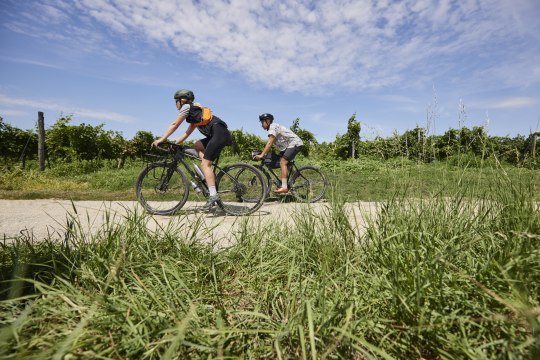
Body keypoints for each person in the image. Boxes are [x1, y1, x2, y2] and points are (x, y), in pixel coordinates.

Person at [152, 89, 233, 210]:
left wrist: (161, 139)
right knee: (197, 145)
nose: (175, 104)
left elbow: (175, 124)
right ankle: (208, 173)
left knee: (206, 164)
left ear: (181, 100)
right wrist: (175, 143)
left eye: (176, 101)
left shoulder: (186, 107)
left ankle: (213, 195)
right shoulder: (195, 114)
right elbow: (186, 133)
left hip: (219, 134)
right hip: (220, 133)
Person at [254, 113, 304, 194]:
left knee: (283, 162)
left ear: (268, 121)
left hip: (295, 143)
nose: (261, 125)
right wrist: (264, 153)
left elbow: (269, 143)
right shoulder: (273, 128)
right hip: (288, 146)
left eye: (262, 122)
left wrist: (262, 155)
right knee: (280, 160)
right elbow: (271, 144)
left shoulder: (272, 127)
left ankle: (284, 187)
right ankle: (294, 173)